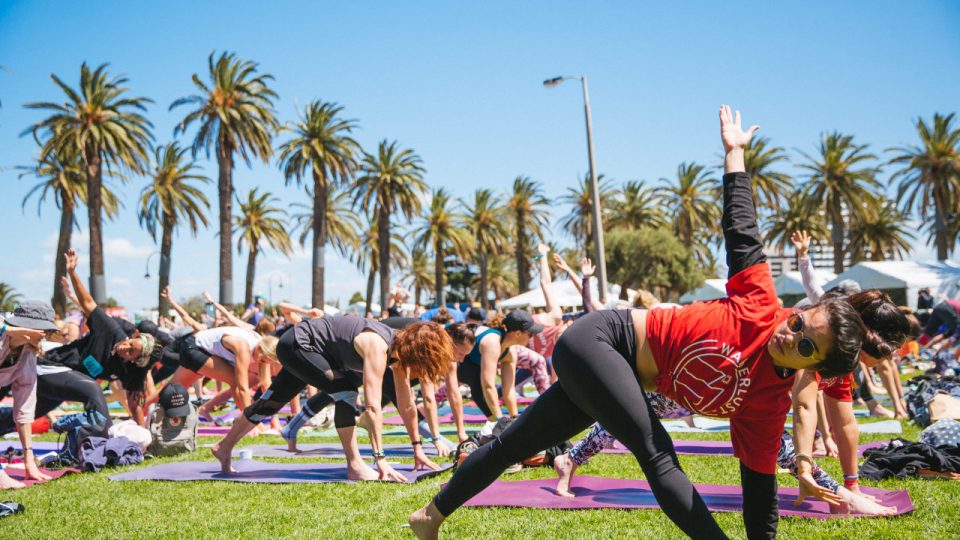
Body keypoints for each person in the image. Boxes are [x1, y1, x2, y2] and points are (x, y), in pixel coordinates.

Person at [409, 105, 866, 539]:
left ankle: (429, 515)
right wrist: (734, 154)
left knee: (514, 445)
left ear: (817, 368)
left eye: (807, 346)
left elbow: (760, 490)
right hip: (601, 340)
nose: (793, 335)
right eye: (801, 322)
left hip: (615, 372)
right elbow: (741, 228)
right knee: (657, 453)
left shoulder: (767, 405)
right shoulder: (762, 302)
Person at [210, 317, 451, 482]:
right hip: (298, 344)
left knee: (271, 403)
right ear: (417, 352)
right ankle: (355, 465)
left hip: (312, 350)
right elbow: (372, 407)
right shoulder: (377, 346)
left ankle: (223, 447)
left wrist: (417, 448)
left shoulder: (398, 354)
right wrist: (380, 460)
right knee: (346, 390)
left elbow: (406, 404)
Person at [25, 249, 154, 429]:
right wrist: (72, 272)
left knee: (25, 415)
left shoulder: (128, 371)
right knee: (93, 389)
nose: (126, 347)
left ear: (135, 360)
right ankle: (105, 441)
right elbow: (88, 303)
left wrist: (143, 436)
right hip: (48, 366)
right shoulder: (110, 330)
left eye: (131, 351)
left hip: (62, 381)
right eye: (129, 343)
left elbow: (134, 404)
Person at [0, 301, 57, 488]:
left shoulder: (27, 356)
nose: (46, 336)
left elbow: (24, 410)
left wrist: (29, 460)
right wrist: (8, 330)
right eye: (44, 331)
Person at [459, 310, 542, 433]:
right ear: (518, 333)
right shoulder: (492, 342)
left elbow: (508, 390)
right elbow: (488, 385)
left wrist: (515, 418)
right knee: (495, 419)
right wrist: (500, 421)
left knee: (498, 421)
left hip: (473, 371)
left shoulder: (510, 353)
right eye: (530, 334)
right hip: (458, 364)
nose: (532, 337)